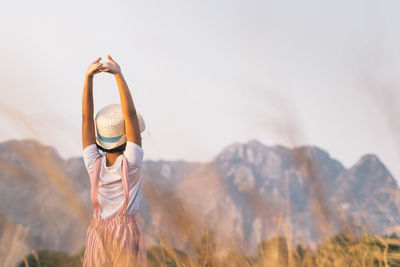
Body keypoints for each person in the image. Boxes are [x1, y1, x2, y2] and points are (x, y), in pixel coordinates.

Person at [81, 55, 147, 266]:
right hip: (126, 236)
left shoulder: (94, 164)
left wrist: (88, 78)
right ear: (127, 136)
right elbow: (130, 115)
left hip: (97, 233)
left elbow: (86, 118)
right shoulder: (132, 163)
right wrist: (118, 74)